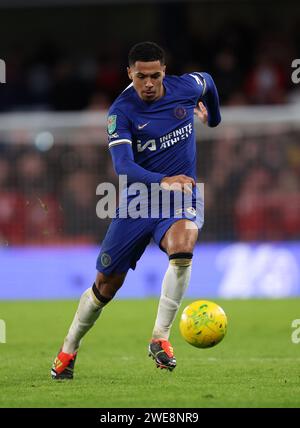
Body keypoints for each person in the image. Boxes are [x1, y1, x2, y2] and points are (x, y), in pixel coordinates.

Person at [51, 41, 221, 379]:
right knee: (104, 289)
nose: (148, 83)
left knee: (184, 243)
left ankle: (160, 338)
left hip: (180, 196)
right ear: (130, 73)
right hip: (137, 203)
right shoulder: (120, 112)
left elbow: (210, 82)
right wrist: (164, 179)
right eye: (141, 76)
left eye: (155, 76)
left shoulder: (187, 87)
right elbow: (124, 167)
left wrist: (212, 118)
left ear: (164, 72)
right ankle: (69, 349)